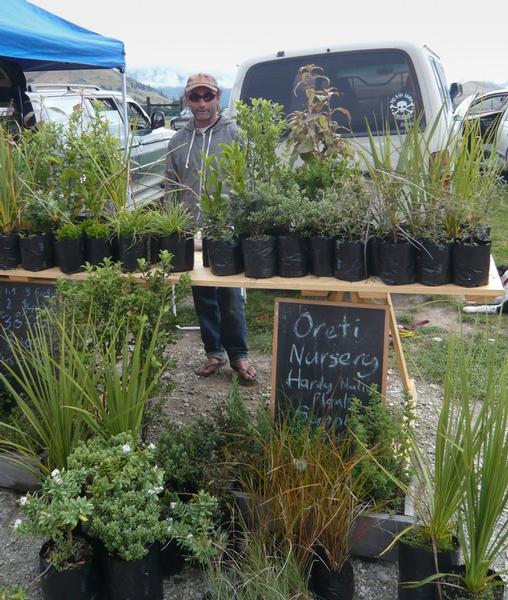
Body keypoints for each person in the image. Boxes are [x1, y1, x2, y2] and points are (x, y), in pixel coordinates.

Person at [165, 73, 256, 384]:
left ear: (218, 98)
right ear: (186, 101)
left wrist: (245, 222)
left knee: (230, 294)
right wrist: (172, 223)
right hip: (192, 227)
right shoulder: (177, 141)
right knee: (202, 291)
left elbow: (249, 181)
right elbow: (171, 186)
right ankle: (213, 353)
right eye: (195, 97)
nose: (202, 103)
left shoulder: (235, 134)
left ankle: (239, 355)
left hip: (225, 227)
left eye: (208, 96)